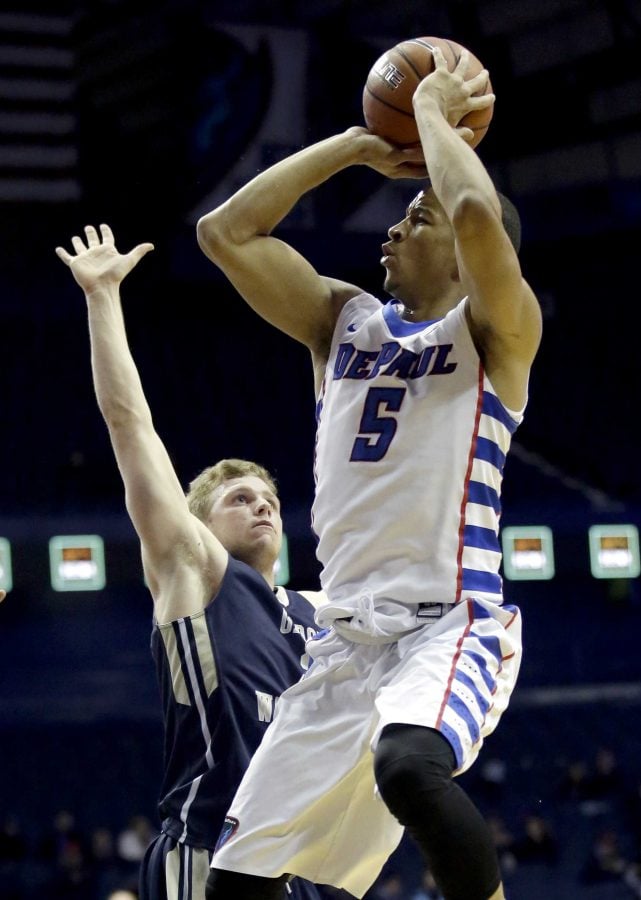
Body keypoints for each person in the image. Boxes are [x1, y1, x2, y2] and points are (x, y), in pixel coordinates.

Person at [198, 44, 542, 900]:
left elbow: (472, 210)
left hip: (447, 625)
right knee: (235, 884)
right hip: (343, 644)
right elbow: (224, 233)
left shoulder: (498, 333)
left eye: (414, 217)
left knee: (410, 767)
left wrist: (433, 115)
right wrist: (355, 145)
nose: (391, 226)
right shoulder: (342, 324)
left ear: (465, 258)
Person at [55, 225, 332, 900]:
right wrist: (102, 298)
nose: (262, 507)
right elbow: (129, 423)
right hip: (210, 850)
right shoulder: (196, 568)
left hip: (302, 868)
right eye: (240, 499)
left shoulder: (320, 612)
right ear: (200, 523)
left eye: (268, 498)